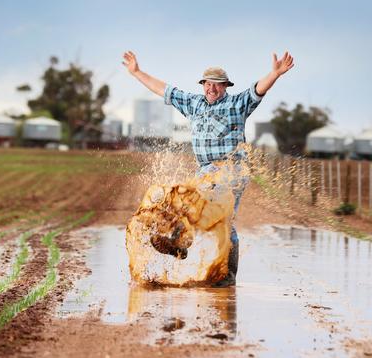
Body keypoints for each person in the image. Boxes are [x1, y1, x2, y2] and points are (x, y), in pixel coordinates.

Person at [122, 50, 294, 286]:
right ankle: (178, 244)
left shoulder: (236, 104)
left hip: (231, 170)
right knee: (184, 203)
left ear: (225, 86)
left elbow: (257, 90)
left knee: (223, 220)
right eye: (208, 84)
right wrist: (137, 72)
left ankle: (227, 275)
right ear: (202, 85)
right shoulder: (193, 104)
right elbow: (164, 89)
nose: (212, 88)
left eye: (218, 85)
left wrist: (274, 73)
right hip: (205, 171)